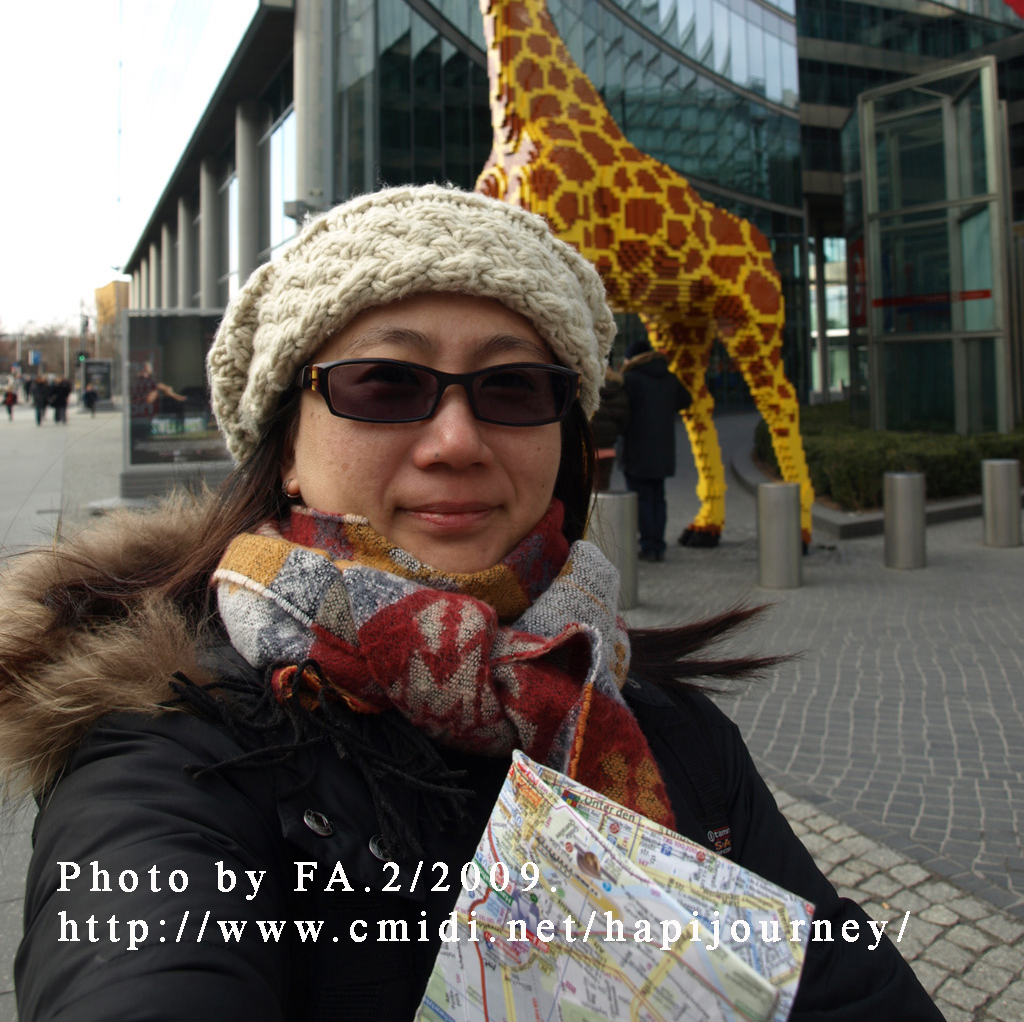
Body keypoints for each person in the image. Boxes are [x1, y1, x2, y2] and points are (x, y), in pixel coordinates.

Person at [0, 185, 940, 1021]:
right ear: (285, 445)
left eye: (513, 386)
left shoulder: (672, 733)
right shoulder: (170, 749)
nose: (455, 440)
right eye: (385, 383)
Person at [621, 336, 690, 561]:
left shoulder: (631, 380)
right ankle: (658, 544)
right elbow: (686, 400)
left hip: (637, 449)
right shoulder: (669, 378)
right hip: (663, 450)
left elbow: (621, 412)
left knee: (642, 499)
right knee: (658, 498)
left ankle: (648, 545)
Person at [590, 364, 629, 491]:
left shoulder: (590, 391)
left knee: (586, 489)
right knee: (603, 487)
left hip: (589, 448)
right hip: (609, 448)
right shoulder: (620, 392)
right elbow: (624, 421)